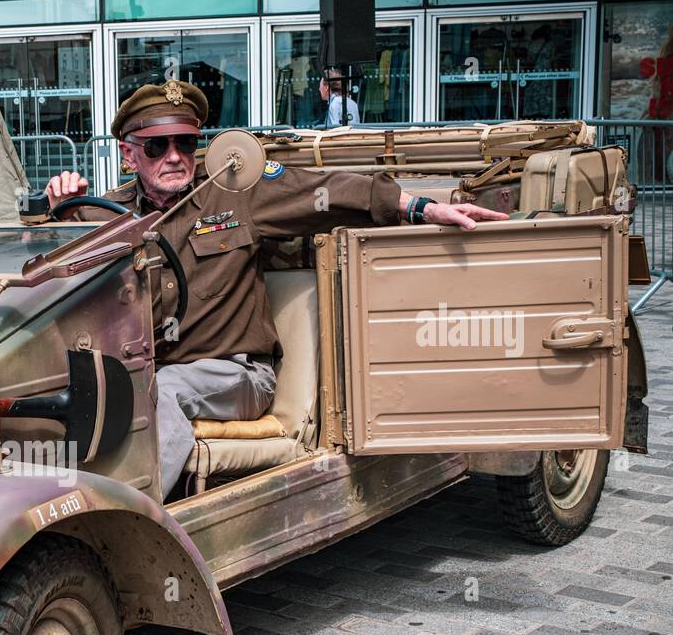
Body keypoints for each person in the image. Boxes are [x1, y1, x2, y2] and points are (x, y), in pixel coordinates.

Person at [44, 80, 507, 498]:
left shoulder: (237, 191)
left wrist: (423, 208)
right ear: (129, 155)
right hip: (149, 370)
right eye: (156, 146)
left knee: (159, 390)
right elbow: (53, 272)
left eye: (186, 142)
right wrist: (60, 211)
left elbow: (329, 190)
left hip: (237, 375)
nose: (174, 157)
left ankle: (128, 523)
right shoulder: (108, 214)